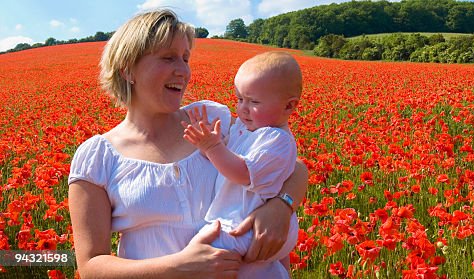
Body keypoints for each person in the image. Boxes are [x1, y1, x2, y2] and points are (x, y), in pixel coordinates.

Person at [67, 9, 307, 278]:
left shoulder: (211, 120)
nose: (183, 71)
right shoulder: (98, 157)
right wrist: (181, 267)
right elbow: (91, 266)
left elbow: (289, 165)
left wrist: (281, 206)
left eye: (185, 58)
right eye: (168, 58)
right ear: (127, 69)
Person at [181, 51, 303, 278]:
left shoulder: (276, 139)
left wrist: (212, 147)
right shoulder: (246, 130)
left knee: (202, 256)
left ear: (289, 106)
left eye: (254, 102)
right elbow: (224, 159)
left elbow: (242, 173)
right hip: (240, 223)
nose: (243, 108)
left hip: (250, 227)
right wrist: (208, 143)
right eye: (240, 99)